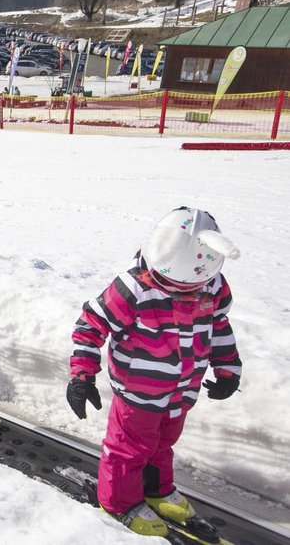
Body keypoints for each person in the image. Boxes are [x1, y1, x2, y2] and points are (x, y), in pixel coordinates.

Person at [67, 207, 242, 538]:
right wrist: (82, 374)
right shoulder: (134, 288)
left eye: (187, 287)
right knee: (128, 449)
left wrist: (228, 369)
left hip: (182, 391)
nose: (178, 293)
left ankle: (156, 490)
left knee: (162, 443)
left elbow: (218, 325)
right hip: (138, 392)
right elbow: (90, 325)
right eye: (169, 284)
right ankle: (119, 503)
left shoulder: (213, 287)